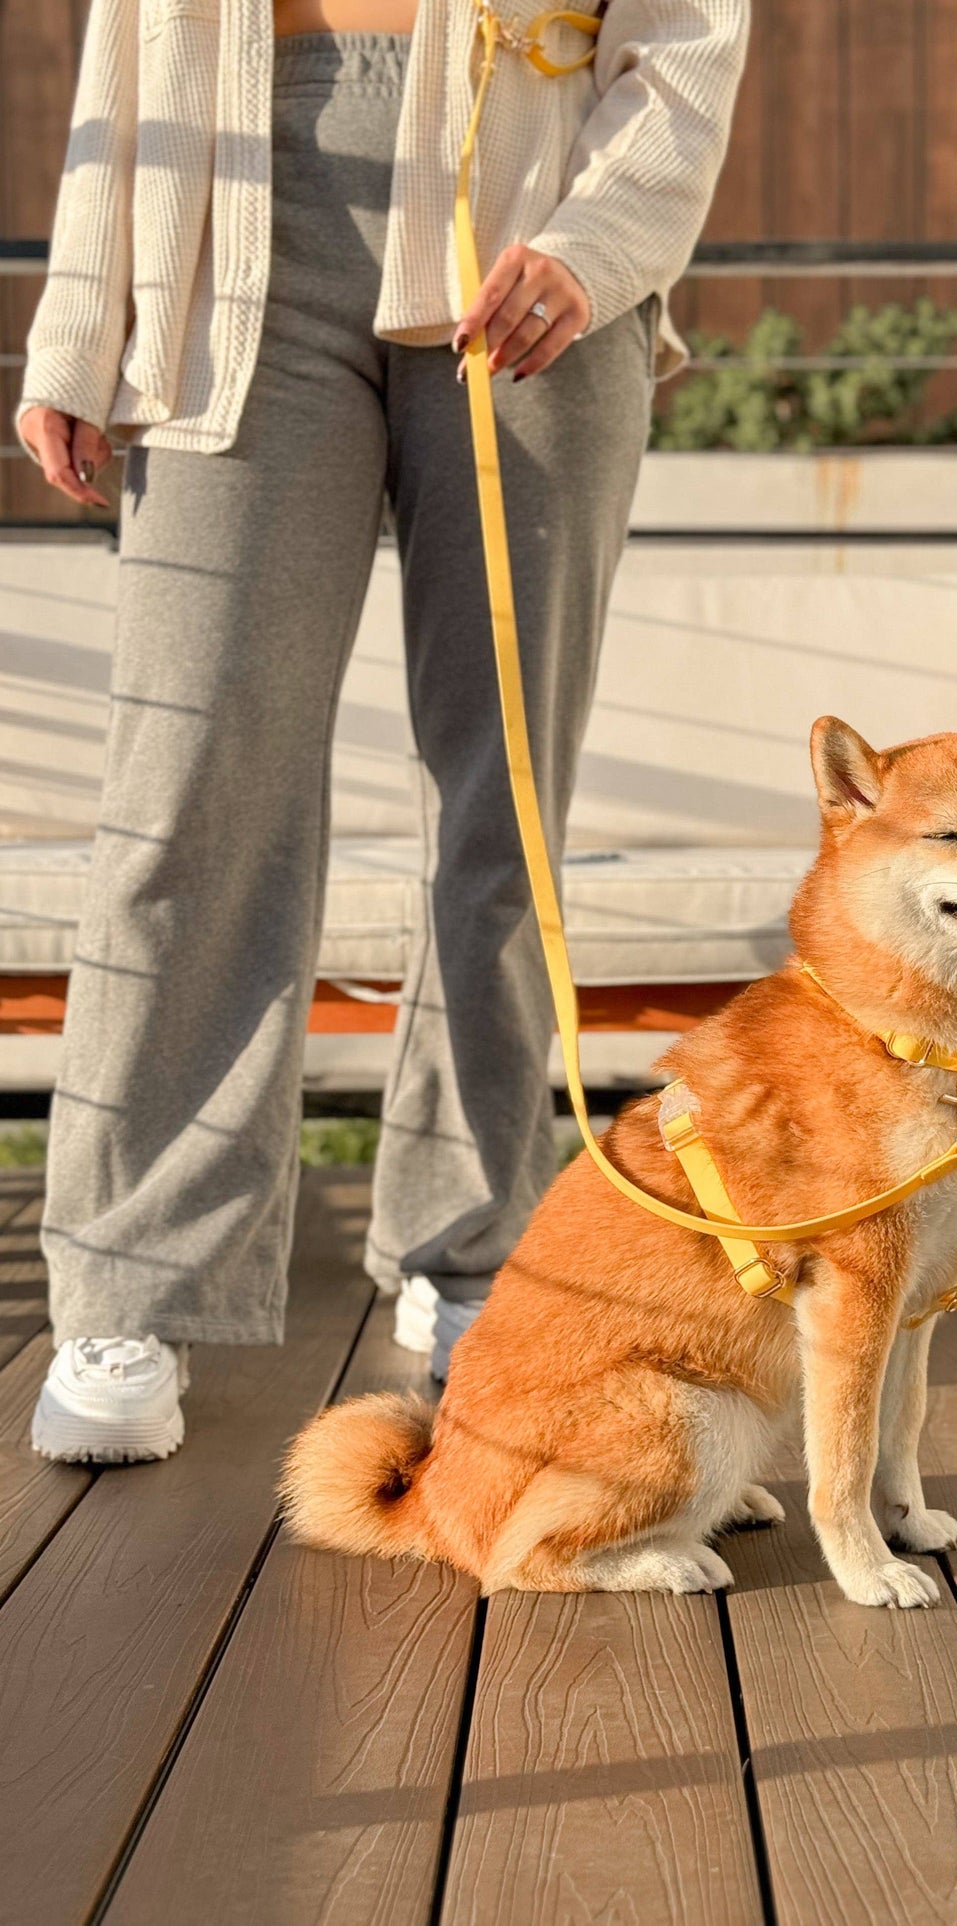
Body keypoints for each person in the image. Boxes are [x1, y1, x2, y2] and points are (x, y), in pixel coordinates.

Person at [17, 0, 748, 1462]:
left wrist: (598, 244)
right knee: (187, 789)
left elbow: (686, 37)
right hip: (223, 244)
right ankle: (130, 1277)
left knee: (500, 802)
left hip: (529, 243)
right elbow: (127, 51)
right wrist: (76, 326)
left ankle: (473, 1256)